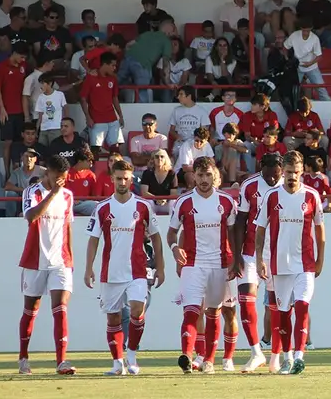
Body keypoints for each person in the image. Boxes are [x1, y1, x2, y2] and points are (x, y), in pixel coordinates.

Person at [85, 159, 165, 376]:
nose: (122, 182)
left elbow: (156, 238)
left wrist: (161, 266)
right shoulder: (101, 208)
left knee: (138, 310)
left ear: (132, 180)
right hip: (110, 272)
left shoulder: (143, 206)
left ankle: (131, 354)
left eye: (126, 179)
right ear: (112, 179)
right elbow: (93, 240)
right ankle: (117, 362)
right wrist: (88, 268)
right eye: (118, 178)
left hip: (137, 270)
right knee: (113, 318)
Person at [254, 151, 325, 375]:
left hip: (304, 264)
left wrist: (320, 259)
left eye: (296, 172)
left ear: (302, 171)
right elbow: (260, 229)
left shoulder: (312, 196)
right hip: (279, 265)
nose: (292, 176)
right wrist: (259, 260)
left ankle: (299, 357)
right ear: (282, 172)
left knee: (302, 306)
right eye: (288, 172)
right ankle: (286, 358)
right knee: (283, 313)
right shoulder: (272, 197)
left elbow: (320, 230)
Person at [167, 156, 238, 374]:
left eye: (208, 174)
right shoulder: (183, 202)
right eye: (200, 175)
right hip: (192, 264)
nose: (204, 179)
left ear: (215, 175)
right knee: (190, 311)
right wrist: (174, 248)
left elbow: (234, 234)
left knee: (214, 312)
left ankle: (209, 360)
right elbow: (171, 232)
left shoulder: (226, 202)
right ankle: (187, 356)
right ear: (193, 177)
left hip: (219, 265)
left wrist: (235, 262)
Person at [17, 154, 77, 375]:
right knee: (30, 310)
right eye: (57, 177)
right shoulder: (32, 192)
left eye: (64, 177)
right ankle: (23, 357)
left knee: (60, 307)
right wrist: (52, 194)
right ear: (47, 173)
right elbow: (31, 216)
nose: (61, 181)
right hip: (35, 259)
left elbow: (68, 227)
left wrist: (70, 258)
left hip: (60, 261)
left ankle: (61, 361)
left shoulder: (69, 196)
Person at [232, 154, 283, 372]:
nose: (272, 179)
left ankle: (276, 357)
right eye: (268, 175)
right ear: (261, 168)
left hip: (279, 254)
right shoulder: (249, 185)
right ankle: (256, 352)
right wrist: (236, 256)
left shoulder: (290, 186)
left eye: (276, 175)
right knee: (246, 299)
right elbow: (240, 221)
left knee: (277, 305)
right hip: (251, 252)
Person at [0, 41, 29, 181]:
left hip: (21, 110)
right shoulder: (2, 67)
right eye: (21, 57)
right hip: (7, 111)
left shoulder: (23, 67)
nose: (23, 60)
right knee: (7, 142)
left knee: (21, 142)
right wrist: (2, 108)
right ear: (14, 53)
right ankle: (7, 173)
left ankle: (20, 173)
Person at [119, 19, 173, 104]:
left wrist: (128, 56)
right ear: (169, 31)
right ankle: (142, 114)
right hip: (142, 64)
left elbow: (128, 45)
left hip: (127, 59)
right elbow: (166, 63)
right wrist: (167, 82)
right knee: (142, 90)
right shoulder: (166, 41)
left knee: (116, 83)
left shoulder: (146, 34)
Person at [80, 52, 124, 155]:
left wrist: (120, 116)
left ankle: (115, 170)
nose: (114, 68)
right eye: (113, 65)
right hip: (96, 119)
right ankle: (94, 171)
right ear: (105, 64)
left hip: (112, 118)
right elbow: (82, 99)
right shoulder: (91, 78)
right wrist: (88, 117)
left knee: (116, 148)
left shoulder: (113, 79)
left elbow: (115, 98)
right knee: (95, 150)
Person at [284, 16, 330, 101]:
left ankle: (328, 104)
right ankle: (293, 105)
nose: (306, 32)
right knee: (293, 89)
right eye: (304, 30)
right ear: (301, 28)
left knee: (321, 89)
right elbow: (285, 47)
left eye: (308, 30)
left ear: (311, 29)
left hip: (312, 67)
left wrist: (310, 63)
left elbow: (319, 56)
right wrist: (287, 59)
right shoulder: (294, 35)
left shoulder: (315, 38)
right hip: (297, 67)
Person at [168, 85, 210, 157]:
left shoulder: (201, 111)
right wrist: (178, 137)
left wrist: (197, 142)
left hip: (196, 143)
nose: (178, 97)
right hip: (181, 143)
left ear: (189, 96)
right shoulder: (176, 110)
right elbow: (171, 130)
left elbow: (204, 131)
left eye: (181, 94)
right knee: (175, 151)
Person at [3, 148, 45, 217]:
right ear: (21, 158)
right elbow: (7, 186)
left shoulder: (43, 171)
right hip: (22, 198)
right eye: (26, 156)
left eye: (31, 157)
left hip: (38, 197)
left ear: (35, 159)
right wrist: (25, 190)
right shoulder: (17, 172)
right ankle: (10, 218)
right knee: (10, 194)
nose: (29, 159)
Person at [140, 149, 178, 214]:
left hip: (166, 203)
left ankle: (172, 223)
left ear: (166, 159)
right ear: (153, 159)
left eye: (162, 156)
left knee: (173, 202)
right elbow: (144, 192)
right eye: (157, 156)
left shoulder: (171, 174)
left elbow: (173, 194)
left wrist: (165, 199)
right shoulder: (147, 173)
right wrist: (156, 199)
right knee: (148, 202)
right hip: (152, 203)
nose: (159, 158)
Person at [34, 72, 68, 146]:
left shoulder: (59, 95)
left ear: (49, 83)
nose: (41, 86)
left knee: (55, 149)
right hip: (43, 129)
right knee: (42, 149)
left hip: (56, 128)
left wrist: (65, 126)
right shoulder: (40, 97)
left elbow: (65, 110)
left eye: (43, 83)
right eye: (40, 83)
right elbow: (40, 116)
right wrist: (37, 129)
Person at [66, 148, 97, 215]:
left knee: (95, 205)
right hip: (69, 203)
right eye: (88, 160)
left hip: (85, 204)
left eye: (91, 160)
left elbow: (94, 195)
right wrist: (73, 200)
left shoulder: (91, 175)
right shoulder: (67, 174)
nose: (91, 163)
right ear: (80, 161)